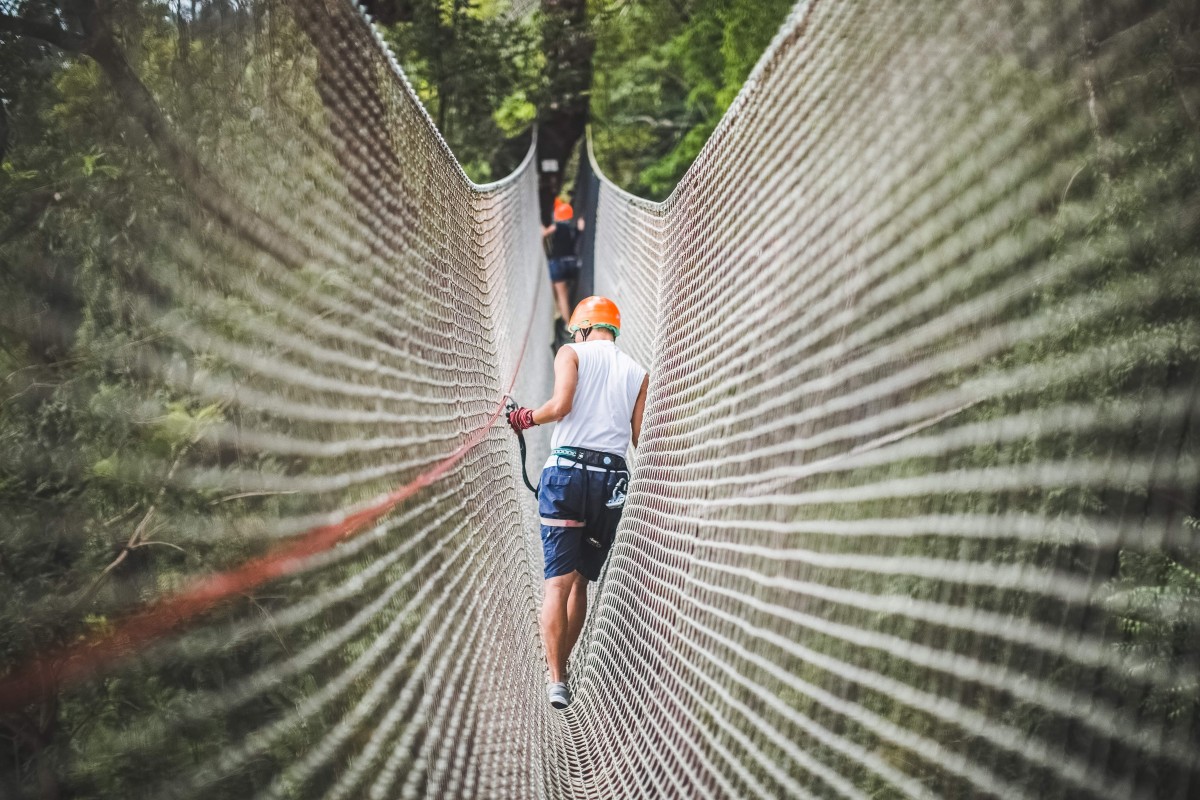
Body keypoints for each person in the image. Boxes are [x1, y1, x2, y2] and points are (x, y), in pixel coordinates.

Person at [507, 296, 649, 710]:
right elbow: (639, 439)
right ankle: (563, 667)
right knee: (580, 583)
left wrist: (525, 418)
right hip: (610, 482)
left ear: (583, 329)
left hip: (567, 475)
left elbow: (561, 406)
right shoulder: (638, 373)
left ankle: (556, 679)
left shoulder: (571, 353)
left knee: (556, 583)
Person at [542, 198, 585, 332]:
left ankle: (568, 323)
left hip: (558, 264)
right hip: (572, 264)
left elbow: (543, 234)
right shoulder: (574, 228)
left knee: (561, 295)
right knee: (567, 292)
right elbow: (581, 229)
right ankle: (567, 316)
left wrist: (542, 228)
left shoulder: (556, 226)